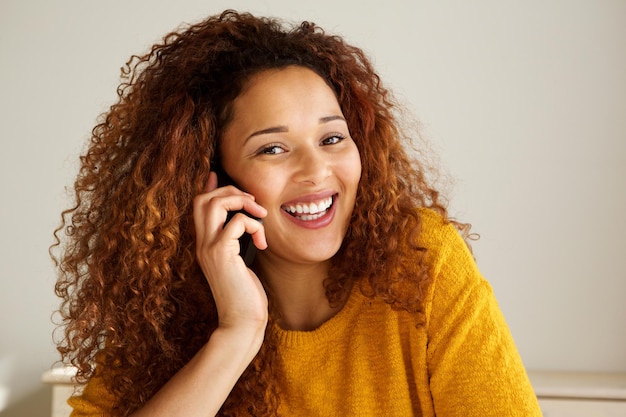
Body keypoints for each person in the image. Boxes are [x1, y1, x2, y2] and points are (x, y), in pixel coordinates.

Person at [51, 9, 542, 417]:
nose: (316, 170)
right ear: (213, 179)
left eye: (332, 139)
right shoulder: (165, 310)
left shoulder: (422, 260)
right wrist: (236, 334)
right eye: (272, 149)